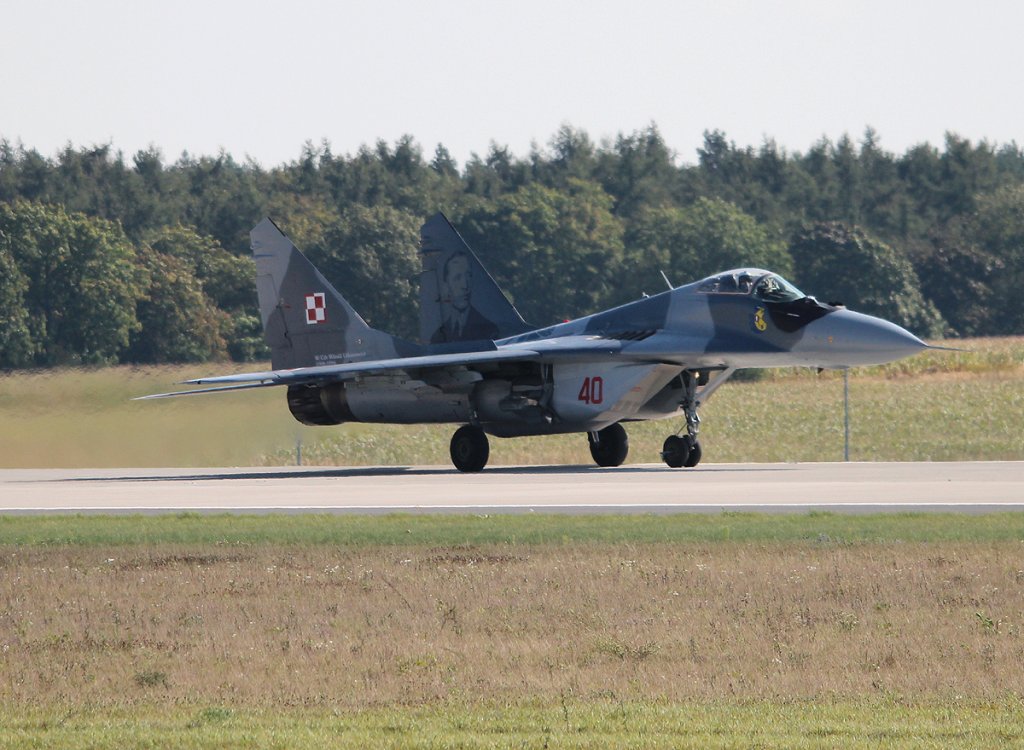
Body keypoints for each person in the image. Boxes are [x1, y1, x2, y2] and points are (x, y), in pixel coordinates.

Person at [430, 251, 500, 343]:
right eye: (457, 278)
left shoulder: (490, 332)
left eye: (469, 276)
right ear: (446, 286)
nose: (465, 285)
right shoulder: (438, 337)